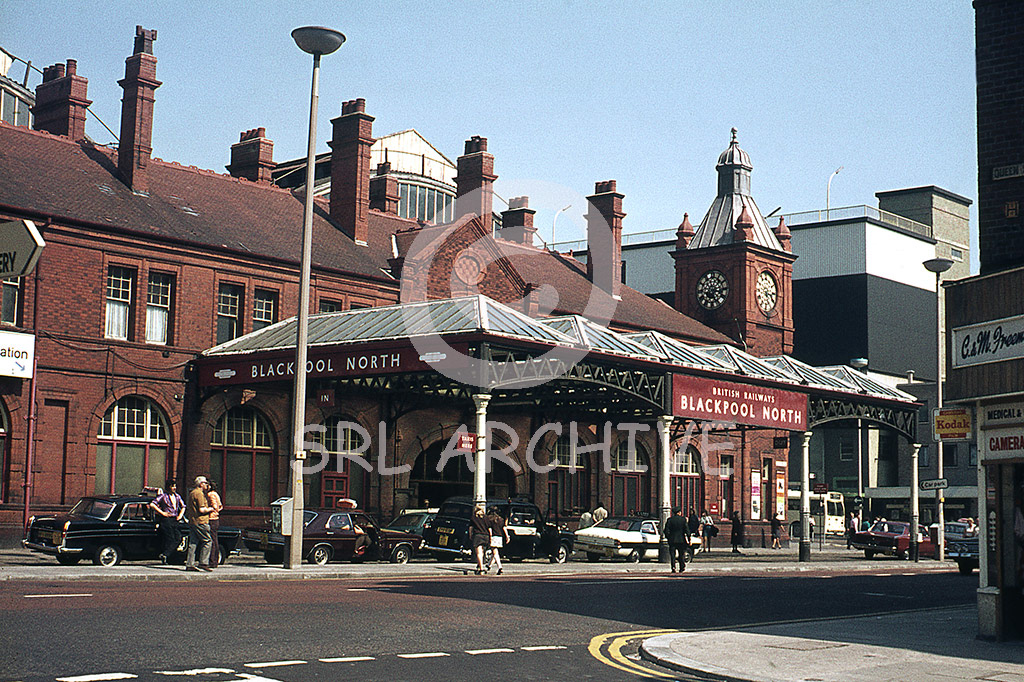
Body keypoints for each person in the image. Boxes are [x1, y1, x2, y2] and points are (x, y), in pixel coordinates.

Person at [149, 480, 185, 564]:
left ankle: (166, 554)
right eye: (172, 486)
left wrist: (180, 516)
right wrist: (162, 513)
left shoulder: (177, 496)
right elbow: (152, 504)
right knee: (170, 538)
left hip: (174, 519)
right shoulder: (163, 496)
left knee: (178, 537)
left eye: (175, 486)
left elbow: (183, 506)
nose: (174, 488)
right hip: (166, 520)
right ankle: (167, 557)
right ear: (168, 487)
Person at [185, 476, 214, 571]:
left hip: (192, 521)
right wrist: (211, 509)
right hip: (201, 521)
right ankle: (203, 562)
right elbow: (202, 509)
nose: (207, 485)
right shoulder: (199, 494)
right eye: (206, 483)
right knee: (207, 541)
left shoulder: (192, 493)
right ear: (201, 484)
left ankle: (190, 564)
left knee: (193, 542)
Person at [664, 508, 690, 573]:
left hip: (672, 540)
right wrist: (689, 538)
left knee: (672, 555)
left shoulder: (670, 520)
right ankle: (682, 567)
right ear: (679, 512)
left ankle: (673, 567)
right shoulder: (683, 520)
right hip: (681, 540)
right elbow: (687, 530)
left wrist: (668, 537)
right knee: (681, 554)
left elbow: (666, 530)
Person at [486, 506, 509, 575]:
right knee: (494, 552)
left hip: (493, 536)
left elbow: (490, 530)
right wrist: (507, 536)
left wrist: (489, 538)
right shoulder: (501, 519)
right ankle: (488, 565)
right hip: (500, 537)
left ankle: (500, 567)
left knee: (495, 552)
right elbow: (504, 528)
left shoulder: (489, 519)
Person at [206, 480, 224, 568]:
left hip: (211, 518)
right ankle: (215, 560)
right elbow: (220, 506)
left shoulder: (210, 494)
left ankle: (212, 560)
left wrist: (209, 510)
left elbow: (216, 507)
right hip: (216, 519)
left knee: (211, 540)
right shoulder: (216, 494)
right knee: (215, 539)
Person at [470, 504, 490, 575]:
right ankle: (480, 565)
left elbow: (471, 528)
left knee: (479, 553)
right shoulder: (486, 518)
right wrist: (490, 536)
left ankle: (481, 569)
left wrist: (470, 536)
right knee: (483, 552)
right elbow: (489, 528)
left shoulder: (473, 518)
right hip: (486, 535)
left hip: (478, 536)